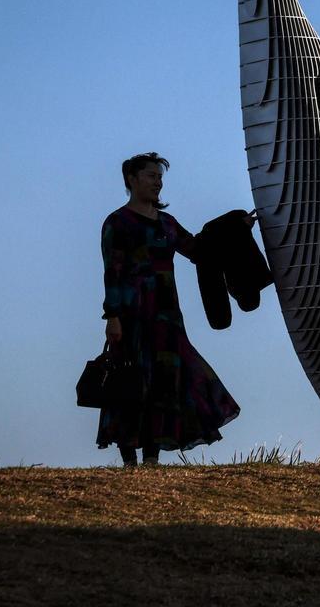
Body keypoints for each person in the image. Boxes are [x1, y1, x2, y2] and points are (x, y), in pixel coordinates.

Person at [97, 152, 247, 467]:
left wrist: (237, 227)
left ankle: (151, 457)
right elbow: (113, 271)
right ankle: (129, 460)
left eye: (160, 177)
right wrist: (113, 317)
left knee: (165, 383)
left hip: (167, 318)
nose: (158, 183)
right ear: (132, 179)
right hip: (131, 316)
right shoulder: (117, 222)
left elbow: (198, 250)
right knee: (131, 384)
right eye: (151, 176)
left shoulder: (166, 222)